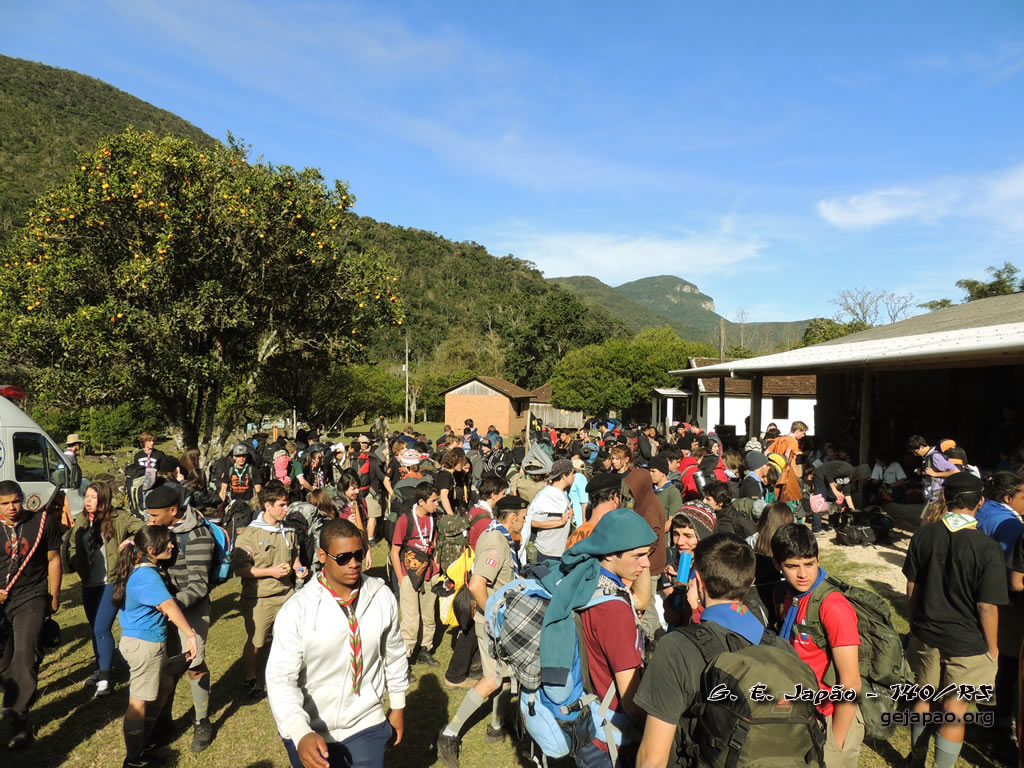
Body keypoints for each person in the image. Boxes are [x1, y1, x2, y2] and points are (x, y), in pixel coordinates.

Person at [636, 534, 808, 768]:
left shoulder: (677, 648)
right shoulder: (782, 649)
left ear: (698, 581)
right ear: (751, 582)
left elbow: (652, 758)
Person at [267, 518, 406, 768]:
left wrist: (397, 706)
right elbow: (280, 678)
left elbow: (394, 655)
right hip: (311, 729)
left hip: (366, 723)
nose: (353, 563)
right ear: (322, 556)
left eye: (358, 554)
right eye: (343, 558)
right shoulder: (297, 610)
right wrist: (300, 731)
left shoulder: (381, 597)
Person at [902, 471, 1006, 768]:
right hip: (968, 642)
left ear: (945, 498)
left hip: (926, 631)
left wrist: (915, 622)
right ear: (980, 502)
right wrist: (993, 648)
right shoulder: (987, 547)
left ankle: (916, 761)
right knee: (955, 710)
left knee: (923, 696)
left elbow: (912, 587)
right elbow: (987, 606)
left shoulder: (924, 535)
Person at [542, 508, 656, 767]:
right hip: (612, 739)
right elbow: (630, 699)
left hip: (590, 722)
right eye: (638, 555)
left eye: (648, 554)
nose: (646, 563)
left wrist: (640, 550)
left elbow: (640, 599)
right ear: (609, 553)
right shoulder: (614, 611)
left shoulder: (589, 580)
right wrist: (657, 733)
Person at [437, 495, 530, 767]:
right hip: (492, 622)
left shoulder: (501, 537)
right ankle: (449, 733)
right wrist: (494, 618)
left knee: (506, 675)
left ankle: (497, 726)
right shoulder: (496, 541)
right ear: (512, 517)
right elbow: (478, 584)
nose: (525, 522)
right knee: (491, 679)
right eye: (523, 518)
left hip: (501, 620)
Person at [771, 523, 862, 768]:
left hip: (832, 716)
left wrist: (835, 744)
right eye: (792, 566)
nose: (803, 574)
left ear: (818, 558)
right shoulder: (786, 594)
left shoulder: (833, 606)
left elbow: (851, 682)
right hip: (802, 713)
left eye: (809, 563)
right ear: (777, 564)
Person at [114, 525, 198, 768]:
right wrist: (190, 635)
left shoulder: (144, 568)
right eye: (167, 542)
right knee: (138, 702)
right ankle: (134, 759)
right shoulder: (146, 576)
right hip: (144, 646)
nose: (172, 545)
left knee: (164, 686)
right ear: (151, 550)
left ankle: (145, 742)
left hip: (149, 643)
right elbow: (169, 606)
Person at [145, 481, 218, 752]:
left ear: (173, 511)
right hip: (164, 609)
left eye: (155, 515)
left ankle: (202, 721)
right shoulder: (160, 529)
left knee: (194, 664)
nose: (151, 520)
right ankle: (164, 721)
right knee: (166, 665)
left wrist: (171, 605)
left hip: (190, 609)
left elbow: (199, 585)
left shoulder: (198, 536)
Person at [0, 481, 63, 749]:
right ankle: (12, 698)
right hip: (2, 603)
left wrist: (54, 595)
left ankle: (18, 717)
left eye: (16, 501)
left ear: (22, 498)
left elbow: (53, 559)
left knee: (25, 653)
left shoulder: (41, 522)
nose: (12, 507)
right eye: (4, 503)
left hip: (32, 595)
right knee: (5, 661)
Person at [232, 480, 307, 698]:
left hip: (287, 595)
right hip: (260, 598)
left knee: (293, 638)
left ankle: (290, 677)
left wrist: (299, 568)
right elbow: (240, 569)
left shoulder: (289, 531)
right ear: (268, 506)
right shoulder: (250, 535)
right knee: (256, 641)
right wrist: (270, 572)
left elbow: (294, 557)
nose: (286, 509)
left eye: (287, 504)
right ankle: (251, 680)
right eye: (282, 505)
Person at [68, 481, 144, 697]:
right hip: (88, 584)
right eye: (87, 497)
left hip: (111, 582)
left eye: (93, 497)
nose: (88, 501)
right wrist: (75, 562)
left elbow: (145, 529)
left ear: (103, 499)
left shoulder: (119, 517)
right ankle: (101, 667)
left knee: (101, 628)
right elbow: (72, 545)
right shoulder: (81, 519)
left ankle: (105, 678)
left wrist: (130, 542)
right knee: (95, 629)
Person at [389, 483, 441, 671]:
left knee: (429, 616)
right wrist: (400, 577)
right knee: (411, 620)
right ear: (421, 501)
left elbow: (434, 544)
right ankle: (403, 660)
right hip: (408, 575)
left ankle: (424, 649)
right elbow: (395, 552)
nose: (437, 504)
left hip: (429, 573)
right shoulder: (405, 520)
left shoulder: (434, 518)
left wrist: (436, 567)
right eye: (433, 501)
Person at [519, 458, 575, 565]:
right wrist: (560, 522)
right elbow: (533, 522)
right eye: (572, 473)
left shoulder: (563, 493)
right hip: (546, 552)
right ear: (564, 476)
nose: (574, 476)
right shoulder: (547, 496)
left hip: (560, 551)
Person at [649, 455, 682, 520]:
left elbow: (672, 520)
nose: (650, 474)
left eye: (653, 471)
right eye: (649, 471)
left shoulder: (673, 492)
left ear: (663, 472)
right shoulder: (650, 489)